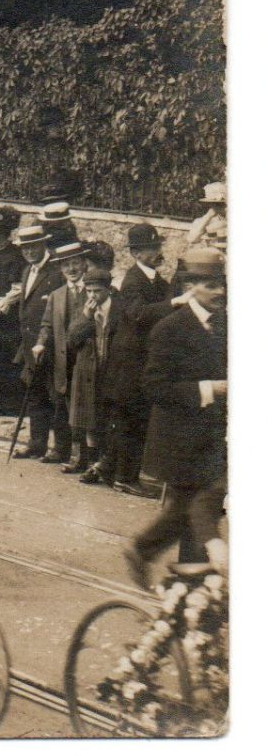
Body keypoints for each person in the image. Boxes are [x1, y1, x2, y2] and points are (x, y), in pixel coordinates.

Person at [126, 248, 226, 585]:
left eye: (221, 285)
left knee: (191, 512)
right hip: (179, 438)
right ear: (192, 285)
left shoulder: (225, 324)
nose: (220, 292)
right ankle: (183, 583)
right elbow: (155, 388)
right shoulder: (169, 329)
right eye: (212, 285)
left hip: (211, 435)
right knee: (196, 510)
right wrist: (210, 389)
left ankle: (152, 557)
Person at [93, 223, 173, 494]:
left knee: (130, 418)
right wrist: (175, 304)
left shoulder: (159, 283)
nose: (157, 252)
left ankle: (108, 468)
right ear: (137, 254)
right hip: (128, 364)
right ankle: (124, 478)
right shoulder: (132, 280)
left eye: (157, 247)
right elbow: (138, 314)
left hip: (142, 362)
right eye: (151, 249)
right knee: (131, 420)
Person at [29, 240, 91, 463]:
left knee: (84, 405)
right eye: (66, 266)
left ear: (84, 264)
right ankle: (60, 449)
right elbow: (47, 325)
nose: (71, 270)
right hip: (62, 358)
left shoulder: (93, 289)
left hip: (86, 357)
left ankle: (84, 454)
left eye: (75, 264)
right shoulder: (56, 295)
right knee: (60, 403)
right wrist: (41, 343)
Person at [11, 225, 65, 459]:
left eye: (33, 247)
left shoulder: (56, 272)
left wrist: (48, 340)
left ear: (44, 245)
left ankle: (60, 447)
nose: (29, 252)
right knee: (35, 392)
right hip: (30, 342)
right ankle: (37, 442)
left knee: (56, 394)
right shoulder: (27, 271)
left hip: (50, 343)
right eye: (25, 248)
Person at [63, 267, 116, 476]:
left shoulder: (116, 309)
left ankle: (100, 464)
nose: (93, 296)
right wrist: (86, 316)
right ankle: (89, 464)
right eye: (89, 291)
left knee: (103, 420)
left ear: (108, 290)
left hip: (109, 370)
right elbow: (71, 340)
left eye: (98, 291)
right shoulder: (85, 310)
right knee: (87, 419)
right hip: (88, 371)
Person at [185, 182, 226, 253]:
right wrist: (209, 216)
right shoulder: (208, 219)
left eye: (222, 204)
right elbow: (191, 239)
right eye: (214, 204)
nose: (218, 207)